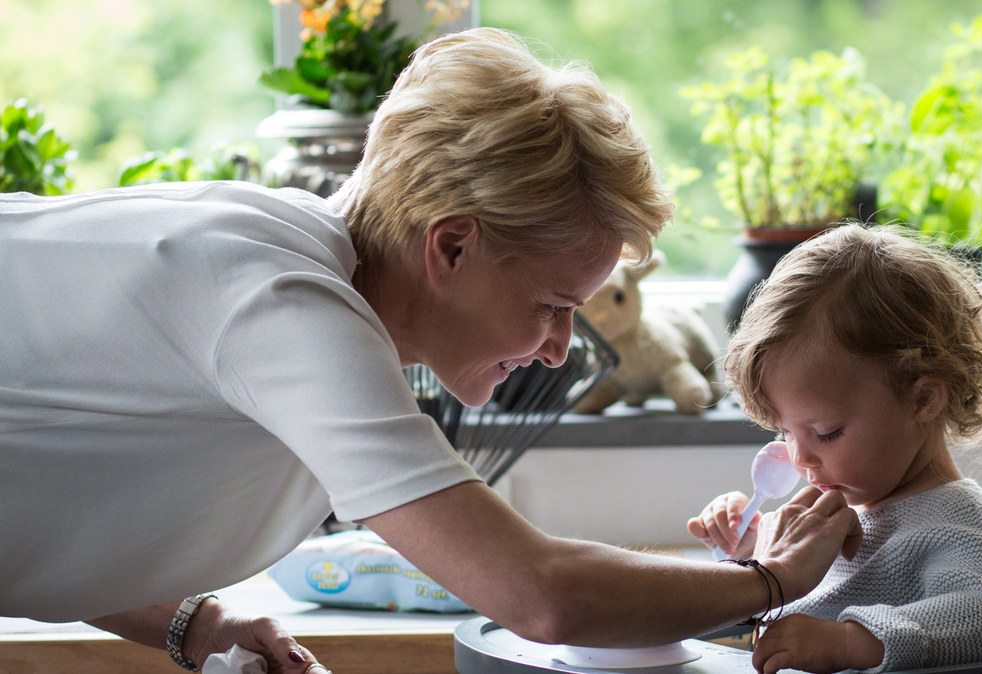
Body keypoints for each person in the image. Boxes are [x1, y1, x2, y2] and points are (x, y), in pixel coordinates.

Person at [0, 27, 861, 672]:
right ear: (451, 247)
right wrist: (775, 579)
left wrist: (192, 623)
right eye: (552, 305)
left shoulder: (280, 249)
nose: (560, 348)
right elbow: (542, 594)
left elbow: (58, 491)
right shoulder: (289, 311)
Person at [688, 223, 982, 674]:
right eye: (785, 433)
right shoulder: (853, 499)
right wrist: (751, 547)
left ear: (923, 399)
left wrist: (848, 642)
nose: (800, 458)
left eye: (825, 432)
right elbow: (793, 592)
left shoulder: (955, 523)